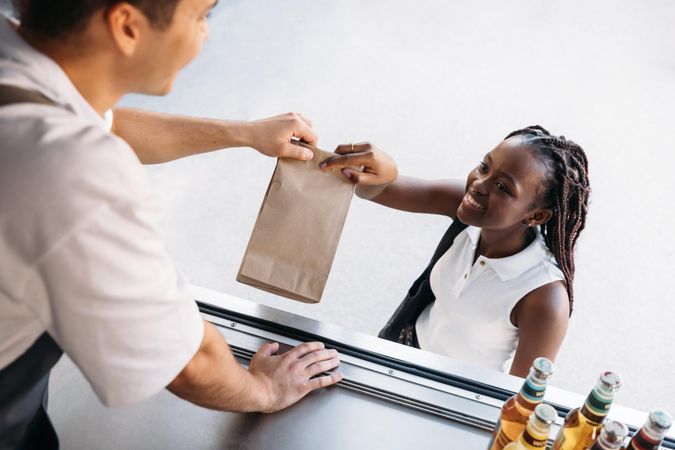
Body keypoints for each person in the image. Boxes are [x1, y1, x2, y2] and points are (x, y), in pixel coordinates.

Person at [0, 1, 342, 448]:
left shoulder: (18, 59)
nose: (206, 35)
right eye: (201, 16)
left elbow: (99, 122)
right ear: (125, 26)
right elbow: (186, 361)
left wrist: (241, 133)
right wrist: (266, 388)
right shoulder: (76, 173)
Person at [319, 126, 590, 377]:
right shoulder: (466, 205)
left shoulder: (545, 298)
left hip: (458, 390)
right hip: (399, 347)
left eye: (502, 187)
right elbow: (379, 191)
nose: (479, 184)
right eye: (485, 166)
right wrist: (380, 172)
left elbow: (521, 397)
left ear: (537, 215)